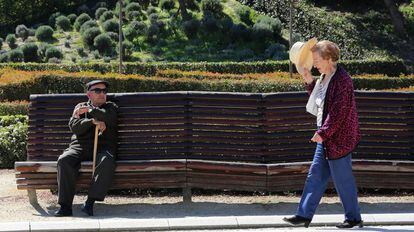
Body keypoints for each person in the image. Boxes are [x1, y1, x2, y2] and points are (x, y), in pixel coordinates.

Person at [283, 39, 363, 228]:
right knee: (315, 176)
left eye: (317, 60)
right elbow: (318, 99)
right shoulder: (325, 77)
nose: (315, 63)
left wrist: (323, 132)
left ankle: (353, 218)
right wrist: (307, 78)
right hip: (327, 139)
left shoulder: (343, 80)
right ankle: (303, 215)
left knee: (343, 180)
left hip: (339, 139)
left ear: (328, 58)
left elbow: (338, 112)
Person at [54, 80, 118, 217]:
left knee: (107, 161)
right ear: (89, 94)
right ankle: (65, 206)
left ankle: (89, 203)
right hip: (79, 146)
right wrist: (92, 121)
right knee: (64, 160)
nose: (102, 94)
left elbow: (108, 117)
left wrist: (91, 111)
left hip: (103, 147)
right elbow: (74, 126)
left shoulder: (111, 107)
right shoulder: (80, 106)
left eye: (104, 91)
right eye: (98, 91)